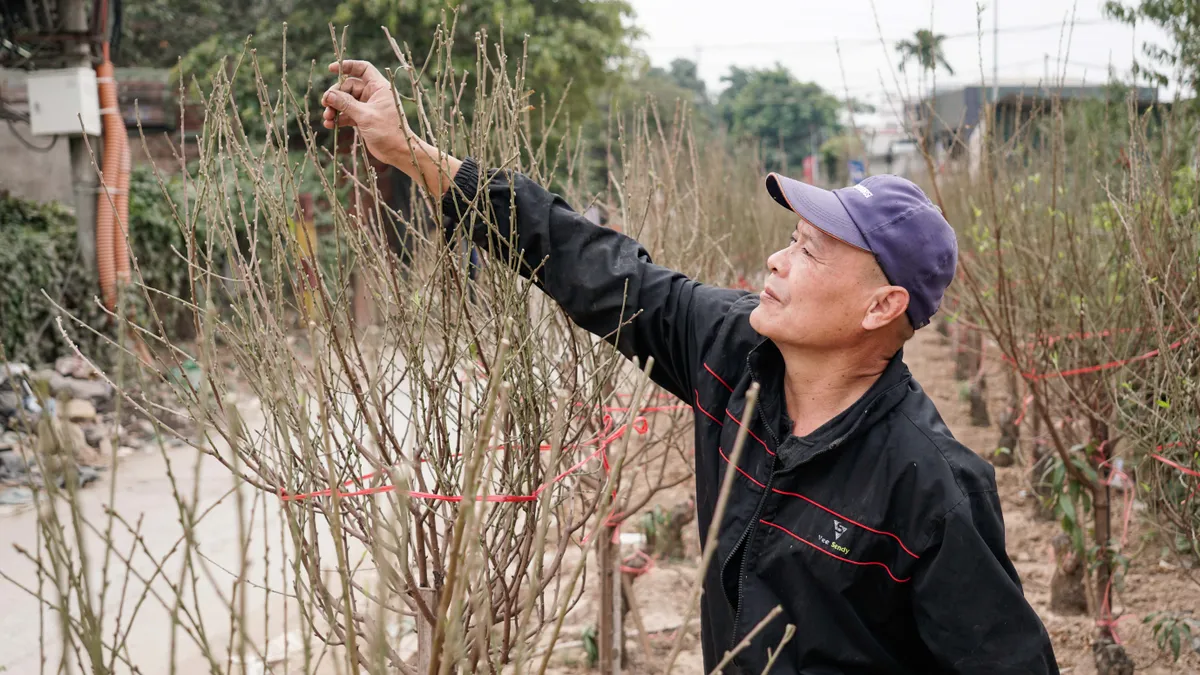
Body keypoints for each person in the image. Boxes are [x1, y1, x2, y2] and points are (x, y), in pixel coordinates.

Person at [321, 59, 1059, 674]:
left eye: (808, 250)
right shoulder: (732, 353)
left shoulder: (931, 487)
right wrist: (412, 152)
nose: (776, 259)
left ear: (881, 306)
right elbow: (589, 261)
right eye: (789, 237)